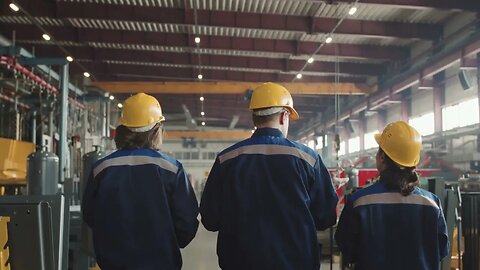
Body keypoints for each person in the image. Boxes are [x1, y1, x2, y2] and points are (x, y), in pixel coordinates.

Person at [200, 82, 338, 270]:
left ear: (254, 117)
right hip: (296, 263)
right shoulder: (308, 160)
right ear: (284, 116)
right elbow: (326, 218)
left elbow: (210, 219)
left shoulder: (227, 159)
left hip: (239, 263)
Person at [82, 93, 199, 270]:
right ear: (156, 130)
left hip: (113, 263)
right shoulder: (171, 169)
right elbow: (187, 222)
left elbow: (90, 214)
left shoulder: (101, 169)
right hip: (161, 263)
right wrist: (168, 244)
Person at [335, 121, 449, 270]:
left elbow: (347, 248)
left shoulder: (359, 202)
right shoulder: (432, 204)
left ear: (382, 157)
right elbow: (441, 250)